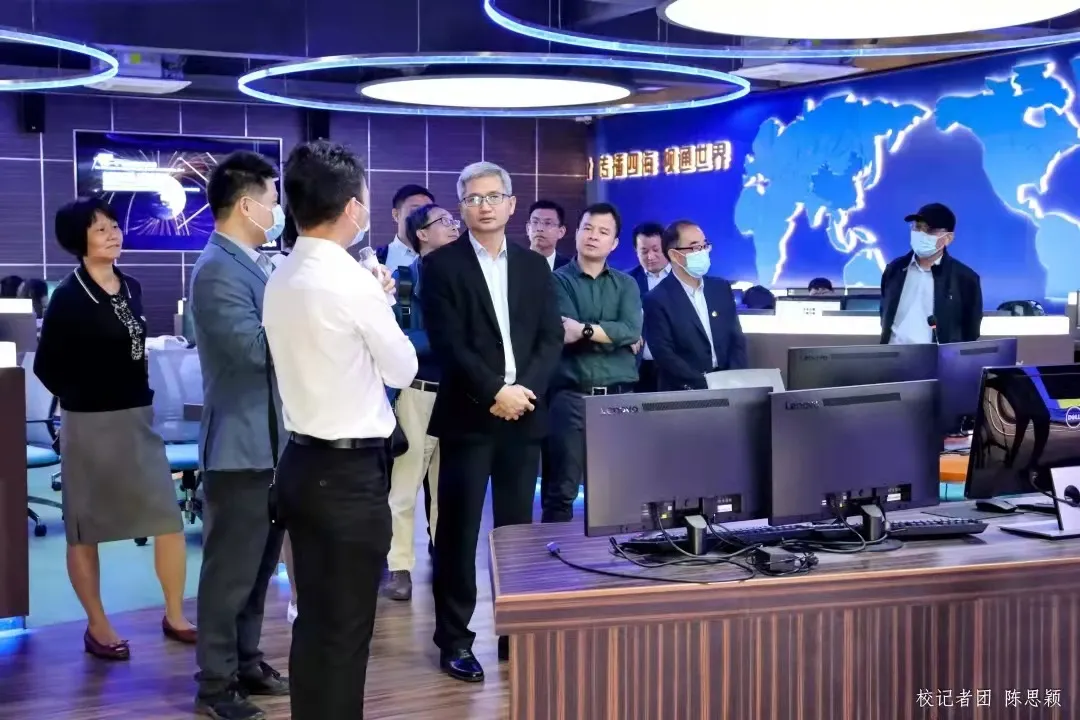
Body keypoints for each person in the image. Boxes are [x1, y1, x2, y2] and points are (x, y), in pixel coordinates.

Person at [262, 140, 416, 719]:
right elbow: (403, 368)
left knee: (315, 623)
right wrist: (381, 300)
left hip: (301, 464)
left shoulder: (281, 273)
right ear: (352, 207)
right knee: (347, 632)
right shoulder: (352, 282)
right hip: (348, 475)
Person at [33, 198, 195, 660]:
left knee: (167, 519)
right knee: (86, 529)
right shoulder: (69, 296)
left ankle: (175, 614)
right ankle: (97, 624)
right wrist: (86, 395)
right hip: (89, 425)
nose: (112, 234)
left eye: (114, 226)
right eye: (99, 228)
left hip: (137, 419)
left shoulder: (132, 286)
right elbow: (46, 367)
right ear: (78, 239)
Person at [421, 161, 563, 682]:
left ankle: (515, 634)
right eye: (473, 198)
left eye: (493, 196)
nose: (484, 206)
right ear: (461, 208)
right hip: (469, 415)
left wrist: (523, 393)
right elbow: (449, 345)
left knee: (516, 533)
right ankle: (455, 640)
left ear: (511, 203)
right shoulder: (441, 266)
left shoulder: (534, 266)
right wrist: (494, 392)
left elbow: (550, 338)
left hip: (523, 414)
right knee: (457, 534)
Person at [189, 151, 290, 720]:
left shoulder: (253, 261)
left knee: (258, 570)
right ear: (248, 205)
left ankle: (246, 661)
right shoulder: (216, 269)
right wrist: (308, 316)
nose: (278, 209)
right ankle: (214, 684)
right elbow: (253, 351)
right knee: (229, 575)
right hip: (240, 447)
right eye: (273, 198)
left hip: (273, 445)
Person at [543, 203, 641, 523]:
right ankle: (552, 552)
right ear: (576, 233)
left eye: (603, 231)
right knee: (562, 490)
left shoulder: (626, 284)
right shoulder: (556, 281)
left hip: (619, 398)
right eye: (587, 228)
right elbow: (565, 331)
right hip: (572, 396)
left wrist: (586, 330)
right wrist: (613, 336)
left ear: (614, 243)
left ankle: (616, 554)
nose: (593, 236)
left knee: (619, 489)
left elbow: (631, 330)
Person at [383, 203, 460, 602]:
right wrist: (447, 341)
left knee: (449, 488)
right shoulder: (402, 281)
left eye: (453, 221)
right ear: (422, 235)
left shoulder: (465, 277)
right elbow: (395, 339)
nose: (453, 226)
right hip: (416, 391)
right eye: (443, 222)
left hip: (459, 394)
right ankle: (399, 567)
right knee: (404, 486)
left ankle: (445, 561)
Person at [643, 220, 747, 391]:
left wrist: (732, 379)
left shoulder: (721, 288)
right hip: (685, 391)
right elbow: (664, 354)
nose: (703, 252)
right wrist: (705, 385)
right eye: (696, 247)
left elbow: (737, 340)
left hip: (728, 386)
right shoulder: (656, 299)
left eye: (705, 246)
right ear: (675, 255)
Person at [881, 202, 983, 344]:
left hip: (936, 356)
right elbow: (884, 314)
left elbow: (971, 331)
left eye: (930, 230)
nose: (921, 234)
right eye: (917, 227)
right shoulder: (894, 269)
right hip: (893, 354)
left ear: (948, 238)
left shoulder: (965, 279)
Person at [626, 222, 669, 392]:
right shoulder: (626, 281)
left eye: (656, 250)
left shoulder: (683, 277)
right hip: (639, 366)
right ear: (635, 251)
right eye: (644, 251)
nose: (650, 256)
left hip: (677, 366)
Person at [376, 184, 436, 271]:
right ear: (396, 215)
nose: (423, 218)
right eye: (416, 211)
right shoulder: (375, 261)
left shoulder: (444, 256)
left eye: (429, 212)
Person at [526, 199, 571, 270]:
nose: (540, 228)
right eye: (535, 222)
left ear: (561, 232)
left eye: (547, 223)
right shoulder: (511, 264)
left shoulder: (570, 268)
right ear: (528, 228)